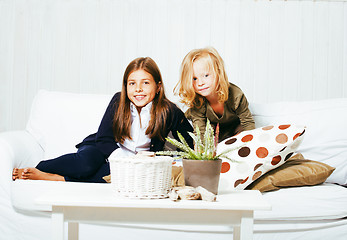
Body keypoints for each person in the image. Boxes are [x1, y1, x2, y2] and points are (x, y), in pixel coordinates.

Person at [12, 57, 194, 183]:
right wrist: (121, 160)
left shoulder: (168, 110)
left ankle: (56, 179)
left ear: (158, 87)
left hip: (134, 161)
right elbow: (104, 139)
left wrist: (168, 159)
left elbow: (188, 141)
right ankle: (41, 167)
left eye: (145, 83)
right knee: (85, 164)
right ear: (125, 86)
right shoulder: (118, 101)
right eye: (132, 83)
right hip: (101, 148)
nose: (138, 89)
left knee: (112, 178)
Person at [175, 47, 255, 142]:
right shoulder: (197, 102)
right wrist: (201, 153)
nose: (200, 83)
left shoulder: (236, 95)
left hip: (234, 128)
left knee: (244, 134)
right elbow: (200, 132)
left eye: (206, 75)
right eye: (194, 79)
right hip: (212, 130)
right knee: (206, 132)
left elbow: (248, 124)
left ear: (218, 73)